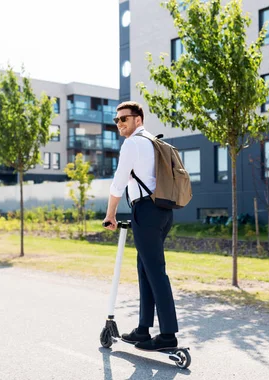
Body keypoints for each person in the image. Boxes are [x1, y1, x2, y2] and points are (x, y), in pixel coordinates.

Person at [103, 101, 179, 351]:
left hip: (146, 211)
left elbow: (119, 181)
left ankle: (168, 335)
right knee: (145, 268)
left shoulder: (133, 143)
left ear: (138, 119)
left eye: (124, 119)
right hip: (163, 211)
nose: (119, 124)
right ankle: (143, 330)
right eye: (117, 120)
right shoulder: (155, 143)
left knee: (155, 271)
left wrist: (110, 214)